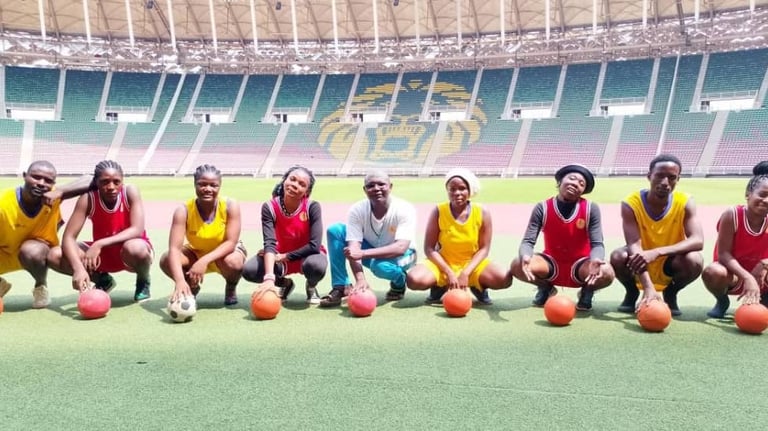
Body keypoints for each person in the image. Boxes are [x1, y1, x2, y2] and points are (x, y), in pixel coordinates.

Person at [510, 164, 614, 311]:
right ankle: (546, 288)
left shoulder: (591, 208)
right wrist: (525, 256)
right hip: (551, 263)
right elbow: (528, 241)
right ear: (560, 181)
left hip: (581, 265)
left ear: (583, 191)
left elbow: (597, 244)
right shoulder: (542, 207)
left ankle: (587, 290)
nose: (575, 184)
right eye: (572, 178)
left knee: (607, 272)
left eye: (581, 183)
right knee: (517, 264)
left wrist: (596, 260)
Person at [610, 154, 704, 316]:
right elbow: (634, 245)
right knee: (618, 256)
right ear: (649, 176)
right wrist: (648, 287)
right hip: (639, 257)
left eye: (672, 177)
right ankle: (632, 293)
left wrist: (657, 252)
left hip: (670, 260)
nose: (665, 182)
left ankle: (671, 293)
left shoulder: (685, 201)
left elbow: (697, 240)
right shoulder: (631, 203)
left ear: (678, 179)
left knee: (694, 260)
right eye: (659, 176)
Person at [49, 160, 153, 301]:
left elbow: (137, 229)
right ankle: (103, 280)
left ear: (122, 182)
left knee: (136, 248)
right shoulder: (88, 199)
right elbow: (69, 237)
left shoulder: (129, 192)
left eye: (116, 182)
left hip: (129, 252)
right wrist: (78, 268)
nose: (111, 187)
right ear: (96, 182)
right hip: (101, 256)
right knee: (55, 255)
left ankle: (143, 281)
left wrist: (99, 243)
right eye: (105, 182)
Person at [406, 169, 512, 304]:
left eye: (462, 188)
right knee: (414, 280)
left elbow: (484, 249)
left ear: (469, 190)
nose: (457, 193)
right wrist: (448, 272)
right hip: (443, 264)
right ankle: (440, 285)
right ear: (447, 191)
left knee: (504, 278)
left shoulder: (482, 212)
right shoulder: (439, 211)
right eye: (452, 189)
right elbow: (429, 248)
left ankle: (477, 285)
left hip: (472, 264)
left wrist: (466, 273)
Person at [0, 160, 92, 308]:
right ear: (24, 176)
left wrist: (60, 191)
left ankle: (40, 286)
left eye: (48, 181)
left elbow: (92, 179)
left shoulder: (54, 197)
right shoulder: (4, 203)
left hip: (37, 254)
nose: (41, 183)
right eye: (36, 177)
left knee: (31, 250)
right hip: (4, 253)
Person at [319, 170, 417, 307]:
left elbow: (400, 248)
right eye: (370, 186)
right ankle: (341, 286)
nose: (376, 188)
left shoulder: (404, 208)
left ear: (390, 187)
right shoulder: (357, 210)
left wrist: (363, 253)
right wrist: (360, 279)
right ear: (365, 190)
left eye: (381, 184)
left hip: (405, 254)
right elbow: (353, 249)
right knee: (336, 230)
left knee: (379, 266)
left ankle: (399, 281)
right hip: (372, 251)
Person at [159, 164, 246, 305]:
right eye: (202, 184)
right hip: (196, 252)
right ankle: (190, 286)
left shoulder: (230, 206)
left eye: (213, 185)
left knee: (234, 262)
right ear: (195, 184)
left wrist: (204, 261)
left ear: (219, 186)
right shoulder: (183, 210)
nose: (208, 189)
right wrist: (179, 280)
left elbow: (231, 242)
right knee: (167, 259)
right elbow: (174, 249)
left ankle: (231, 287)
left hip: (225, 254)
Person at [242, 166, 326, 304]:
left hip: (307, 255)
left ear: (307, 191)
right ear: (284, 180)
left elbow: (314, 245)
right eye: (292, 179)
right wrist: (269, 278)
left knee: (316, 266)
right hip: (280, 256)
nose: (295, 185)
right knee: (250, 270)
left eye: (302, 184)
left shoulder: (312, 207)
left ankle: (311, 286)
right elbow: (269, 243)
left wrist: (284, 256)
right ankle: (285, 284)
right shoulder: (269, 207)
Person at [702, 165, 768, 318]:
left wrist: (765, 263)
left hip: (762, 274)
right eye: (762, 194)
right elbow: (723, 254)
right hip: (733, 273)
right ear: (748, 194)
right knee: (713, 272)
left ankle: (764, 299)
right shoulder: (732, 215)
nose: (766, 200)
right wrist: (747, 277)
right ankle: (721, 300)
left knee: (758, 317)